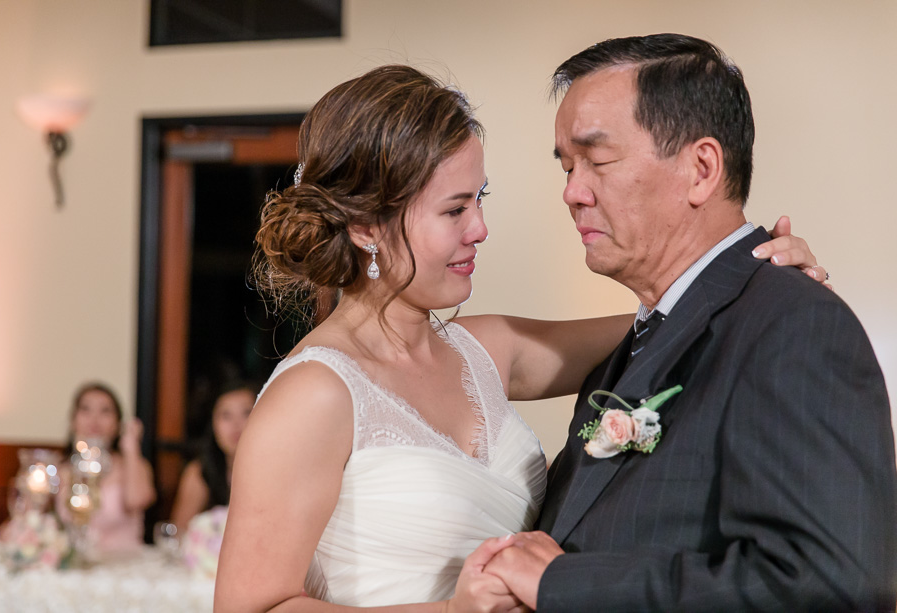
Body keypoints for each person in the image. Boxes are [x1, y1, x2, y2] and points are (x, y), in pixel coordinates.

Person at [214, 64, 824, 611]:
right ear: (366, 224)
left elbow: (677, 323)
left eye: (479, 200)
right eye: (454, 210)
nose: (480, 228)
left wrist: (757, 278)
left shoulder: (486, 351)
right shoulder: (314, 396)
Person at [470, 34, 897, 612]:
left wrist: (562, 586)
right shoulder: (653, 333)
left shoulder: (795, 327)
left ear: (701, 169)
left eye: (596, 160)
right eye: (567, 166)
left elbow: (829, 588)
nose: (571, 191)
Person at [57, 382, 157, 552]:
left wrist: (131, 449)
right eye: (86, 409)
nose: (94, 419)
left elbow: (137, 500)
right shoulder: (61, 469)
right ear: (73, 420)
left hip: (122, 563)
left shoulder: (134, 465)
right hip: (74, 562)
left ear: (118, 423)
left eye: (105, 411)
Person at [170, 380, 256, 534]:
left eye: (246, 413)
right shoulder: (200, 472)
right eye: (226, 415)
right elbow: (180, 534)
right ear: (213, 424)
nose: (236, 424)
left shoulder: (276, 472)